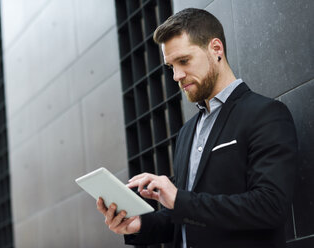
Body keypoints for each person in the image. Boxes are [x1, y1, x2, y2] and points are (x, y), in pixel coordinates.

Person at [97, 8, 298, 248]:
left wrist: (180, 200)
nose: (176, 76)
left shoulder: (265, 114)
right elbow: (185, 218)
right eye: (171, 66)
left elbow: (271, 206)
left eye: (184, 61)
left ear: (216, 49)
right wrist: (139, 225)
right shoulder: (187, 132)